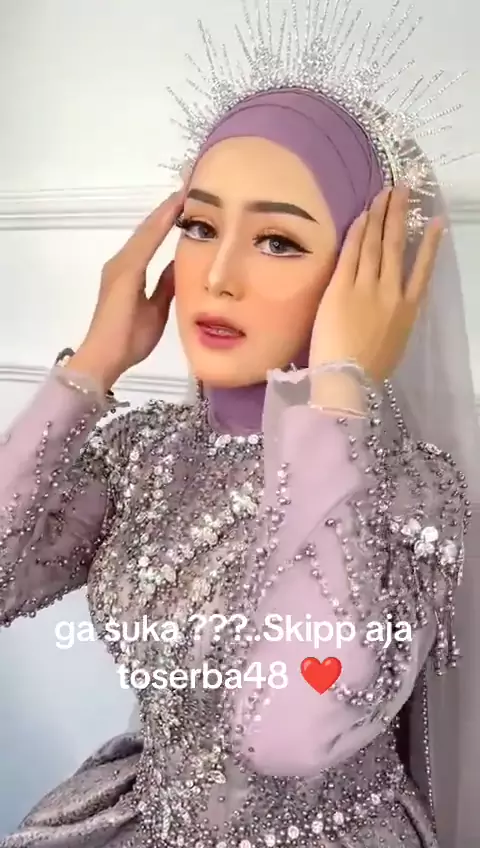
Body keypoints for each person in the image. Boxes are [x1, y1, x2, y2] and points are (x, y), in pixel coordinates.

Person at [0, 1, 479, 847]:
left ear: (367, 277)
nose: (217, 275)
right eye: (198, 226)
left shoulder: (408, 489)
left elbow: (287, 729)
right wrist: (90, 367)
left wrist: (337, 395)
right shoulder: (141, 454)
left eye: (278, 241)